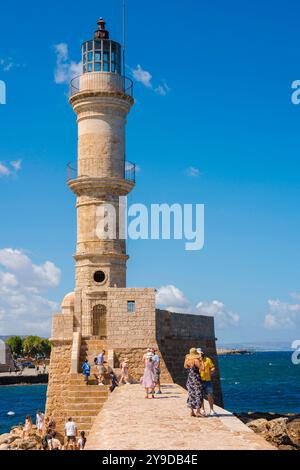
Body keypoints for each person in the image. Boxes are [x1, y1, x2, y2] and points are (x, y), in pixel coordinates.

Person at [184, 348, 205, 418]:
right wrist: (201, 361)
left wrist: (186, 359)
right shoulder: (196, 360)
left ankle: (192, 411)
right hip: (196, 378)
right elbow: (203, 369)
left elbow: (185, 366)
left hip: (190, 379)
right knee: (198, 394)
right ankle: (198, 411)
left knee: (191, 394)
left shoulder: (188, 360)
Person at [197, 348, 217, 417]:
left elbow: (212, 367)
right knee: (201, 395)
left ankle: (212, 410)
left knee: (210, 395)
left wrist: (212, 371)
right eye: (199, 354)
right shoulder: (196, 361)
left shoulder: (207, 359)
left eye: (201, 353)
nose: (200, 355)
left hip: (208, 380)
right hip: (200, 380)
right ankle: (202, 409)